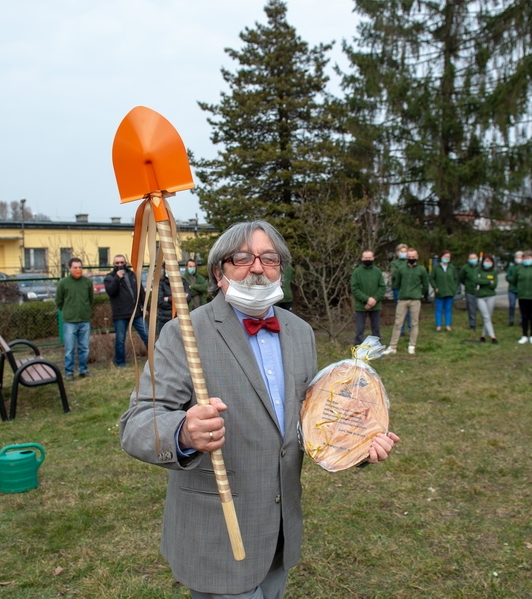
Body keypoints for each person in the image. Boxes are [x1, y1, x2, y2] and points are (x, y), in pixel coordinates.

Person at [119, 220, 399, 598]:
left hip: (279, 533)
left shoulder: (299, 333)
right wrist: (184, 432)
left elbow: (311, 424)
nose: (257, 267)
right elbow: (136, 423)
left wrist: (358, 446)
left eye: (269, 258)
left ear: (280, 270)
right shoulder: (187, 332)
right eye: (242, 258)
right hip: (218, 534)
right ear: (219, 273)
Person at [104, 254, 149, 367]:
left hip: (136, 313)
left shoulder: (132, 275)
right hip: (120, 314)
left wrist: (145, 307)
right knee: (120, 340)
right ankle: (120, 362)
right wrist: (117, 278)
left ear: (126, 263)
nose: (120, 265)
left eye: (122, 262)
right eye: (117, 263)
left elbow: (141, 292)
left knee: (147, 335)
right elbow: (111, 291)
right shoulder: (109, 277)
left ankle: (155, 358)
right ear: (113, 265)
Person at [382, 248, 428, 355]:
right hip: (402, 299)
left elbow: (425, 284)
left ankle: (412, 346)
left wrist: (419, 294)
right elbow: (396, 283)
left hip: (415, 300)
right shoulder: (401, 269)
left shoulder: (421, 270)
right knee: (398, 323)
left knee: (414, 323)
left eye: (413, 257)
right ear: (407, 257)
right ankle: (393, 347)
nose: (411, 258)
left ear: (417, 257)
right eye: (409, 257)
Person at [55, 257, 94, 380]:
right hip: (70, 321)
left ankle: (83, 370)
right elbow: (59, 301)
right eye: (75, 267)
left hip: (84, 320)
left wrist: (86, 311)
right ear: (70, 269)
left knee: (84, 348)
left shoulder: (87, 283)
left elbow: (90, 299)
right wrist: (68, 311)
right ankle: (69, 372)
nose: (78, 270)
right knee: (69, 349)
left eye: (80, 267)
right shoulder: (63, 283)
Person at [509, 250, 532, 344]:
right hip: (522, 295)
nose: (527, 260)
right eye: (525, 258)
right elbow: (514, 280)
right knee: (524, 316)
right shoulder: (519, 268)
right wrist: (520, 288)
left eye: (529, 258)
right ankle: (524, 335)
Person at [351, 250, 386, 345]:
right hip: (360, 306)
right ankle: (357, 349)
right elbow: (354, 289)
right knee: (359, 330)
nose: (368, 259)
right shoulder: (357, 272)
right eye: (366, 258)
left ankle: (377, 349)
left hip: (376, 305)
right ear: (362, 259)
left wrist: (374, 299)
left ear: (373, 258)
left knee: (376, 329)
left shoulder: (377, 271)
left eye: (369, 258)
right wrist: (367, 299)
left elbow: (382, 287)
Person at [156, 265, 190, 336]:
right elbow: (160, 302)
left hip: (180, 319)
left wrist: (168, 299)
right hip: (164, 320)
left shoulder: (183, 282)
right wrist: (179, 299)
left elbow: (187, 299)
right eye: (167, 268)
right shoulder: (161, 283)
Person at [430, 250, 459, 331]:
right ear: (441, 257)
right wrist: (435, 287)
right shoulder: (436, 267)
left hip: (450, 292)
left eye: (448, 257)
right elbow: (431, 278)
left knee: (448, 309)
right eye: (445, 256)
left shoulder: (452, 267)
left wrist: (454, 288)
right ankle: (438, 325)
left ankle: (448, 325)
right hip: (439, 292)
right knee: (439, 309)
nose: (447, 258)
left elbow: (455, 279)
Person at [474, 255, 499, 344]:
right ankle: (493, 337)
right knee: (486, 316)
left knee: (488, 317)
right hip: (480, 297)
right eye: (486, 261)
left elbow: (494, 285)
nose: (487, 263)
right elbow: (476, 280)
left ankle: (483, 335)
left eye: (489, 261)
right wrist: (488, 281)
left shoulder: (494, 272)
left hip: (491, 296)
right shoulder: (478, 270)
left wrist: (483, 281)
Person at [389, 243, 410, 334]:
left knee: (409, 310)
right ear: (397, 252)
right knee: (400, 310)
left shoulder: (410, 262)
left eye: (405, 251)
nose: (403, 253)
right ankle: (400, 330)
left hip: (408, 289)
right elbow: (394, 275)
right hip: (397, 289)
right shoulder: (394, 263)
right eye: (401, 251)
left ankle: (411, 329)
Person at [459, 253, 479, 332]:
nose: (473, 260)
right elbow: (462, 278)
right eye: (471, 258)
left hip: (480, 291)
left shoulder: (480, 267)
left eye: (474, 258)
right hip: (469, 291)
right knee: (471, 309)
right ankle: (472, 325)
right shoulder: (465, 268)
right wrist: (468, 284)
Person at [506, 250, 523, 326]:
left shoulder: (524, 267)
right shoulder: (511, 268)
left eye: (520, 257)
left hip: (521, 289)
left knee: (522, 306)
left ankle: (521, 320)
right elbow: (508, 277)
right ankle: (511, 320)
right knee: (512, 305)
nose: (518, 259)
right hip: (512, 289)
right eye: (517, 257)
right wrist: (514, 280)